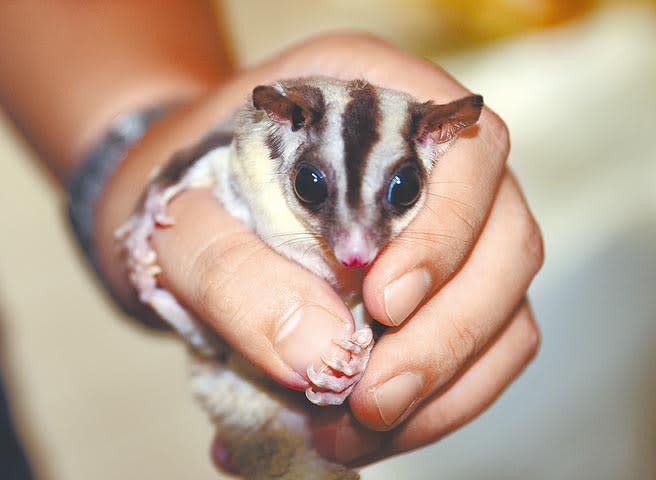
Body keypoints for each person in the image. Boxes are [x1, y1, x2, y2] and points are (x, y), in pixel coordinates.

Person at [0, 1, 543, 474]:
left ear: (438, 137)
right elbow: (212, 155)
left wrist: (127, 155)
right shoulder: (260, 144)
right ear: (282, 126)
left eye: (399, 193)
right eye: (313, 187)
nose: (355, 246)